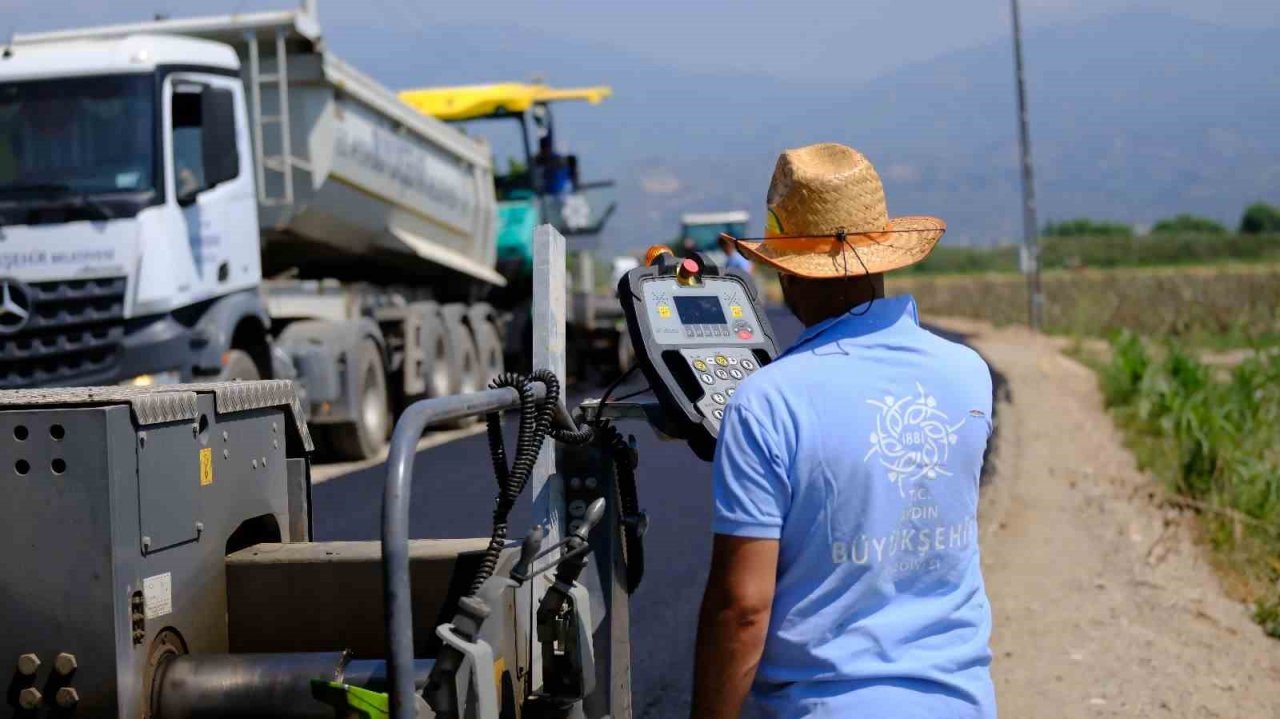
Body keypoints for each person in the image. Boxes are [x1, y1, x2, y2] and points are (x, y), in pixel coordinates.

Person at [691, 143, 996, 719]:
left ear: (786, 270)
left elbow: (743, 611)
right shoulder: (968, 373)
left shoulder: (767, 402)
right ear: (882, 256)